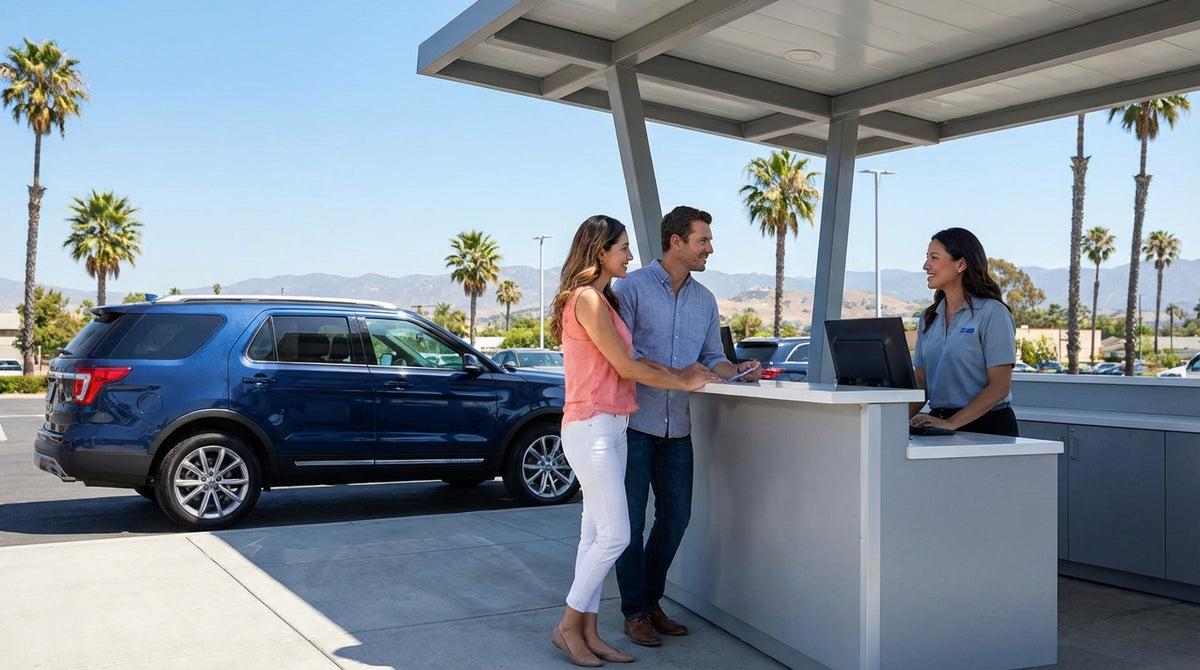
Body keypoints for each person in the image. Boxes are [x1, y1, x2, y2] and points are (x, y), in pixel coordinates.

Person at [548, 214, 719, 667]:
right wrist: (682, 381)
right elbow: (626, 366)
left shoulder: (604, 299)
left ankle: (589, 632)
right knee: (616, 535)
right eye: (622, 247)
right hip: (592, 426)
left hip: (613, 425)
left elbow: (635, 360)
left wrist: (689, 373)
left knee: (593, 536)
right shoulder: (587, 299)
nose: (629, 255)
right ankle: (567, 626)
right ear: (600, 251)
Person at [612, 205, 762, 648]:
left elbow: (713, 357)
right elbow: (626, 358)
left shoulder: (705, 300)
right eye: (703, 240)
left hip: (678, 428)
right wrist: (680, 375)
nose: (710, 249)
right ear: (676, 241)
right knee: (629, 524)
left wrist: (738, 369)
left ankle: (650, 601)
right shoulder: (631, 288)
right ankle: (635, 611)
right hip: (635, 423)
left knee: (676, 517)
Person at [909, 227, 1019, 437]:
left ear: (960, 264)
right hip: (940, 423)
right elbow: (921, 384)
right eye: (927, 257)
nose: (926, 265)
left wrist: (951, 423)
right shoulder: (928, 318)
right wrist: (890, 424)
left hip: (988, 428)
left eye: (934, 258)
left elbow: (1000, 387)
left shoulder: (993, 313)